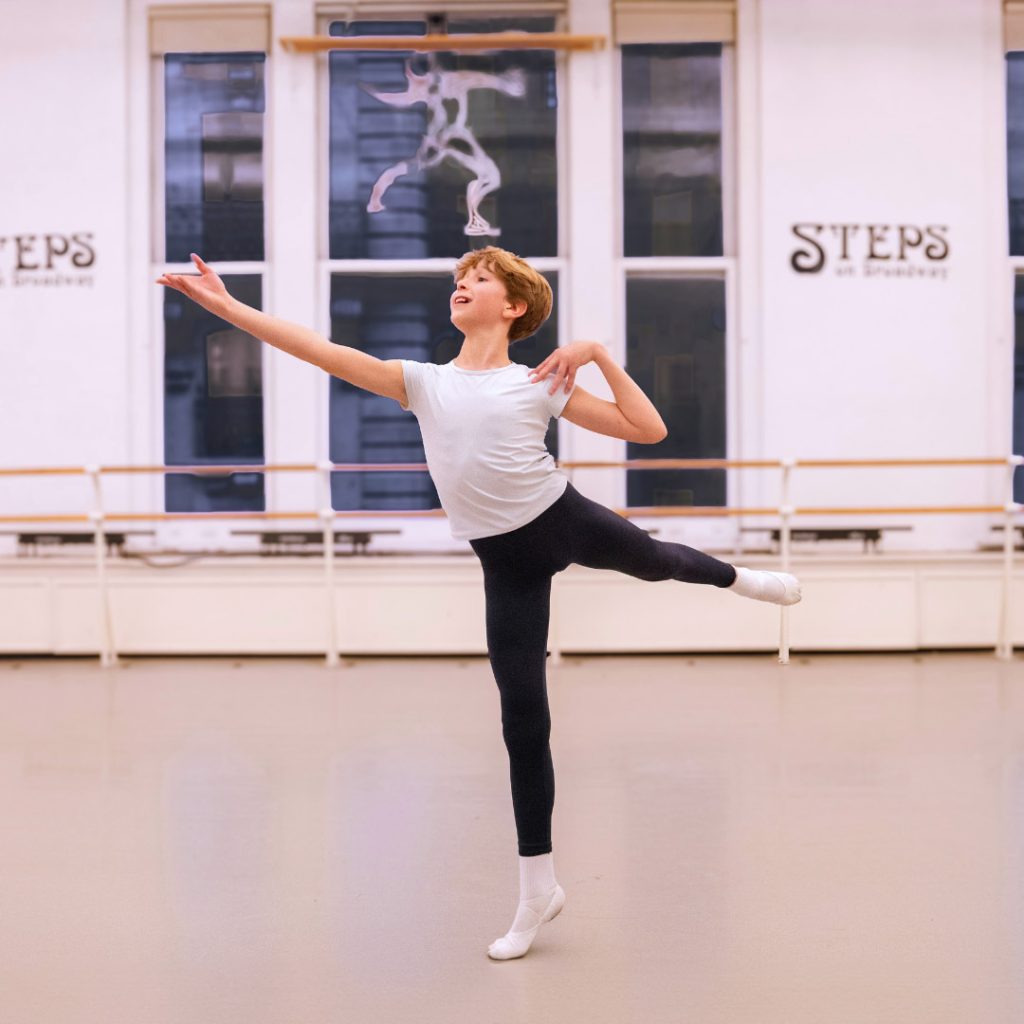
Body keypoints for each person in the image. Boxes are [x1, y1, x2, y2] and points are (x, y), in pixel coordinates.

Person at [157, 247, 801, 962]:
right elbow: (317, 348)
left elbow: (647, 430)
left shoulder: (539, 382)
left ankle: (744, 580)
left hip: (562, 516)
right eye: (459, 280)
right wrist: (225, 306)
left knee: (655, 563)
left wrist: (594, 355)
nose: (462, 286)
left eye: (479, 279)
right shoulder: (423, 384)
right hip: (505, 562)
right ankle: (537, 891)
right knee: (524, 722)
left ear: (514, 305)